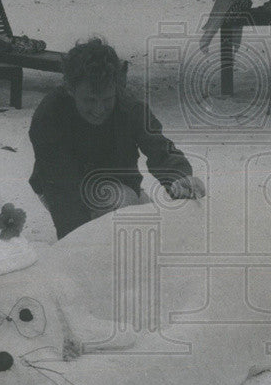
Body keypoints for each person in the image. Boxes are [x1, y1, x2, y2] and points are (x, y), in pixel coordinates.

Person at [29, 38, 205, 240]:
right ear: (70, 89)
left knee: (146, 227)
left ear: (117, 90)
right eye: (89, 100)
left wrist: (179, 177)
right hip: (62, 184)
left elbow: (160, 149)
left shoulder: (130, 108)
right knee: (113, 219)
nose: (98, 110)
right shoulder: (50, 115)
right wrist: (74, 242)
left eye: (107, 99)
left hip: (118, 184)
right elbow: (61, 187)